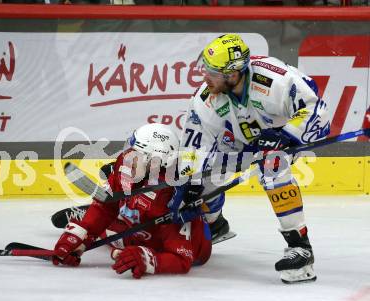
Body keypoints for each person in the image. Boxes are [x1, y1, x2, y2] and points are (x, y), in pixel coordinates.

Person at [177, 33, 330, 284]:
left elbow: (315, 108)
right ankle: (215, 225)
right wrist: (190, 180)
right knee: (202, 177)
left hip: (284, 140)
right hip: (240, 144)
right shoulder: (206, 97)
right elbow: (196, 143)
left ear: (233, 74)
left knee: (273, 167)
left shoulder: (274, 79)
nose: (206, 77)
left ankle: (300, 248)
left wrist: (286, 135)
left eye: (213, 72)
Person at [52, 123, 212, 279]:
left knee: (114, 233)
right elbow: (106, 206)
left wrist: (147, 259)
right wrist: (79, 236)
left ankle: (217, 226)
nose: (128, 158)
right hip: (141, 231)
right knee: (111, 223)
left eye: (137, 155)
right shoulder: (127, 166)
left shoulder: (172, 197)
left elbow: (181, 259)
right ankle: (115, 214)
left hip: (176, 246)